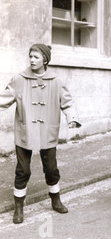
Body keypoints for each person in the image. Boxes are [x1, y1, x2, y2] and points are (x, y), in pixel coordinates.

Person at [0, 44, 81, 224]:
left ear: (45, 59)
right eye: (30, 56)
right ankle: (19, 207)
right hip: (25, 131)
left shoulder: (56, 81)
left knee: (51, 169)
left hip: (47, 131)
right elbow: (3, 99)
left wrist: (72, 118)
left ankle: (55, 199)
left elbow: (67, 102)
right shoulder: (19, 79)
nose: (32, 60)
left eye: (36, 57)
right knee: (23, 170)